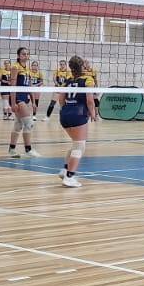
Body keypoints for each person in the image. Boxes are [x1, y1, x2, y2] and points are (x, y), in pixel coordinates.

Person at [56, 55, 98, 188]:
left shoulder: (67, 80)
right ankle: (70, 177)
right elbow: (90, 100)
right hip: (79, 114)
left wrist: (66, 110)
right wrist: (93, 113)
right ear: (82, 66)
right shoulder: (88, 79)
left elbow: (61, 99)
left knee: (75, 144)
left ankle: (64, 170)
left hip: (65, 114)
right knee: (80, 146)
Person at [6, 48, 43, 158]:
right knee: (29, 123)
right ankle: (28, 150)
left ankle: (12, 149)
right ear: (18, 55)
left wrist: (33, 102)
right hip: (17, 97)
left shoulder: (28, 69)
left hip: (25, 98)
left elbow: (30, 86)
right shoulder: (15, 67)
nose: (26, 55)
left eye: (27, 54)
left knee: (18, 125)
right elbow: (12, 86)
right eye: (23, 54)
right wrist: (13, 103)